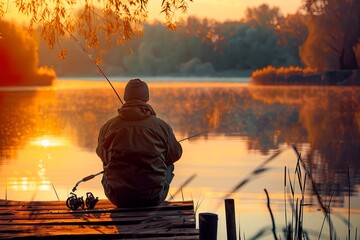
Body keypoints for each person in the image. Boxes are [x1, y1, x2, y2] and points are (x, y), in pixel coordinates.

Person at [96, 78, 182, 207]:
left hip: (118, 197)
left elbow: (102, 155)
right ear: (146, 98)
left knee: (106, 163)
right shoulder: (161, 126)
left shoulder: (108, 126)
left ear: (126, 97)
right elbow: (175, 154)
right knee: (169, 165)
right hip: (153, 197)